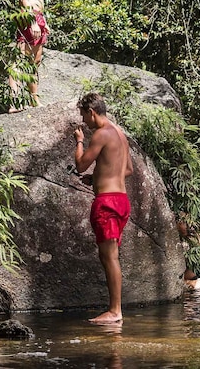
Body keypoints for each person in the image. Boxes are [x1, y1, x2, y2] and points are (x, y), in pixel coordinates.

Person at [74, 93, 134, 324]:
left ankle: (115, 311)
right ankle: (115, 309)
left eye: (84, 117)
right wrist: (98, 176)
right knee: (109, 256)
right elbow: (127, 169)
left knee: (110, 258)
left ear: (92, 112)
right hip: (121, 200)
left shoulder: (101, 134)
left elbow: (80, 165)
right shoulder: (120, 135)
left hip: (107, 202)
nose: (85, 123)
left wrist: (79, 140)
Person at [9, 0, 51, 112]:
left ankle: (34, 99)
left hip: (37, 16)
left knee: (35, 60)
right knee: (20, 59)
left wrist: (43, 20)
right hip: (28, 16)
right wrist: (31, 20)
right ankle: (13, 102)